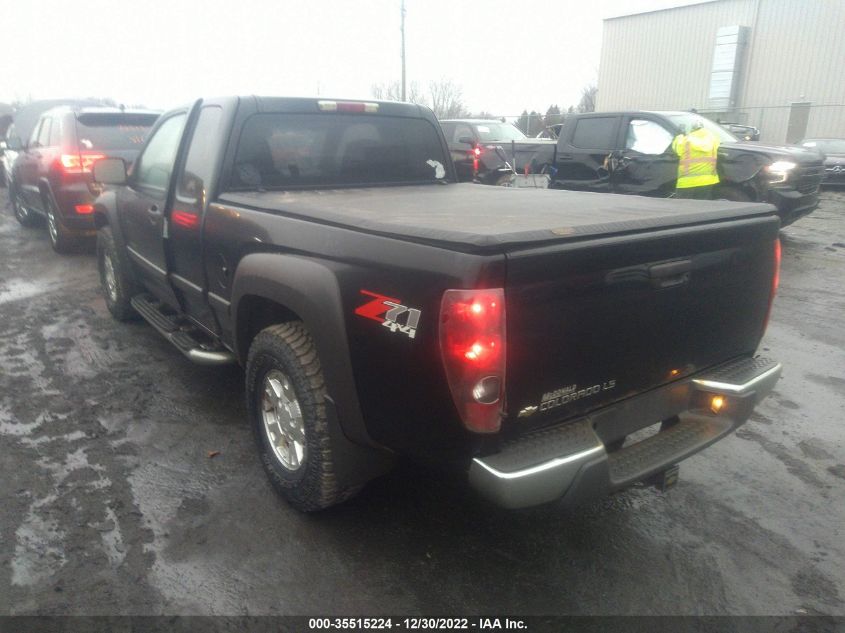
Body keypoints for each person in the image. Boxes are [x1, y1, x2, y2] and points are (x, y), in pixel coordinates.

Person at [672, 121, 720, 199]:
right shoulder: (713, 138)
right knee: (702, 205)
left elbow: (677, 149)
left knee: (682, 206)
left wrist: (679, 135)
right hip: (708, 180)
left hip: (687, 182)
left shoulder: (685, 140)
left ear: (692, 129)